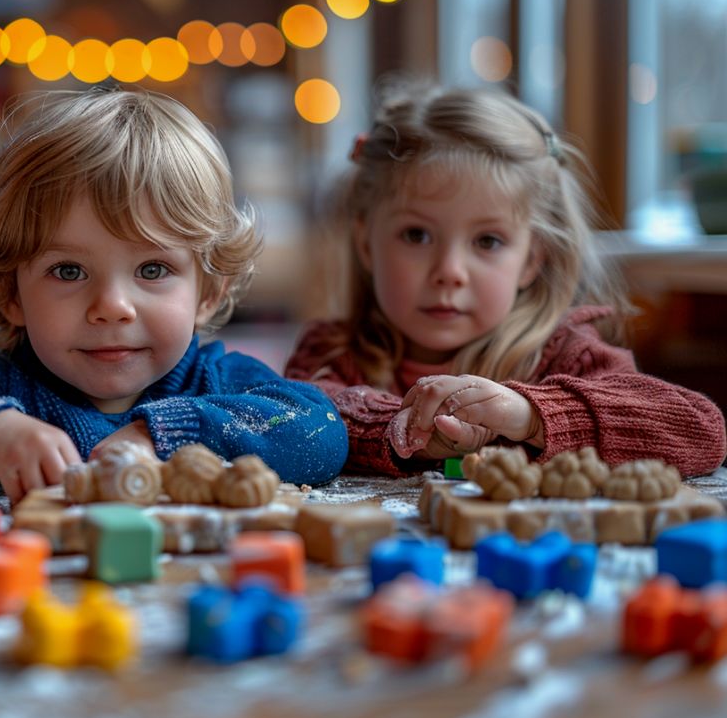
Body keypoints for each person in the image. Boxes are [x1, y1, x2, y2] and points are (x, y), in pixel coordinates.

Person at [0, 88, 348, 502]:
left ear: (207, 293)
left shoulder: (216, 386)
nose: (112, 307)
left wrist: (166, 436)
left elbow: (319, 428)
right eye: (69, 271)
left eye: (152, 268)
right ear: (10, 292)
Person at [284, 78, 726, 477]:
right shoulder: (333, 353)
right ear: (366, 243)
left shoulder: (563, 356)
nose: (449, 273)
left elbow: (701, 429)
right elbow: (300, 422)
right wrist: (408, 430)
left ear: (533, 258)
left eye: (488, 242)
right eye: (416, 235)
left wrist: (534, 415)